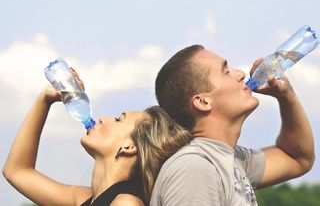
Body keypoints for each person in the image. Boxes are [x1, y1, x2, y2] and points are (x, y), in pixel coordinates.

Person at [150, 45, 315, 205]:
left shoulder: (231, 159)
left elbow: (298, 159)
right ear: (202, 102)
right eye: (226, 71)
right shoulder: (194, 169)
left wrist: (286, 95)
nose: (241, 74)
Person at [2, 69, 193, 206]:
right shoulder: (83, 199)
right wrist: (45, 99)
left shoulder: (126, 202)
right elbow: (16, 171)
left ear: (129, 146)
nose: (104, 118)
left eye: (119, 119)